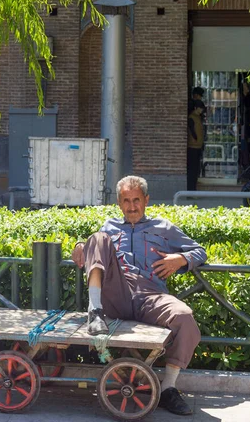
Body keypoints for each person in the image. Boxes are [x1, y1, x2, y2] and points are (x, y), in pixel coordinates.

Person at [72, 175, 207, 416]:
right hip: (115, 293)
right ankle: (95, 311)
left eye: (136, 200)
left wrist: (182, 259)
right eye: (126, 200)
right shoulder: (109, 226)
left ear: (146, 200)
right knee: (96, 238)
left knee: (185, 318)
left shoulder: (164, 228)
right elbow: (95, 250)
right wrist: (82, 247)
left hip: (151, 294)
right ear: (119, 202)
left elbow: (200, 251)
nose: (131, 206)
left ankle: (168, 388)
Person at [187, 100, 205, 191]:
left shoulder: (198, 117)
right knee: (192, 170)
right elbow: (192, 131)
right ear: (196, 108)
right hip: (193, 147)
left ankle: (193, 189)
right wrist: (196, 138)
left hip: (197, 146)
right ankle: (191, 190)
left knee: (195, 170)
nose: (201, 110)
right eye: (200, 109)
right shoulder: (192, 117)